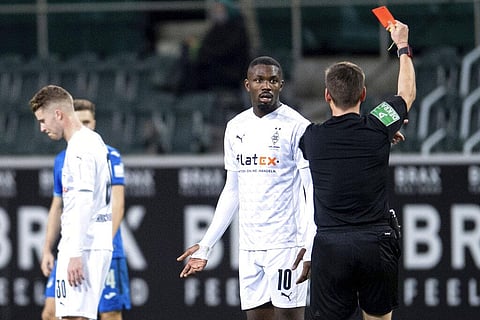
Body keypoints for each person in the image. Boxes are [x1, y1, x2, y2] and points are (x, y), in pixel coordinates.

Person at [177, 56, 315, 320]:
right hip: (250, 246)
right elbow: (232, 191)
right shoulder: (235, 127)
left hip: (286, 245)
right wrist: (206, 245)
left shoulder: (298, 127)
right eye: (259, 80)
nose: (266, 85)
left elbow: (312, 191)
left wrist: (309, 244)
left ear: (281, 85)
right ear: (247, 85)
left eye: (273, 80)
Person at [299, 20, 415, 320]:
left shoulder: (312, 137)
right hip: (375, 243)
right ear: (363, 94)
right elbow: (406, 95)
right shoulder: (378, 126)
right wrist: (402, 45)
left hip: (330, 246)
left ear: (327, 96)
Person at [40, 98, 131, 320]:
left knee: (108, 313)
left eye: (88, 121)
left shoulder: (108, 154)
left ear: (94, 122)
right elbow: (57, 205)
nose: (84, 126)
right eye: (80, 122)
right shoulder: (62, 159)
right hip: (72, 247)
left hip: (99, 244)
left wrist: (104, 241)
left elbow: (117, 204)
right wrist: (47, 248)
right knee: (53, 313)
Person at [30, 85, 114, 320]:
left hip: (83, 246)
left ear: (58, 114)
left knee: (72, 317)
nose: (42, 127)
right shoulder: (92, 140)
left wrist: (75, 253)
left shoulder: (80, 149)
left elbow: (84, 201)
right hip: (91, 242)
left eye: (43, 120)